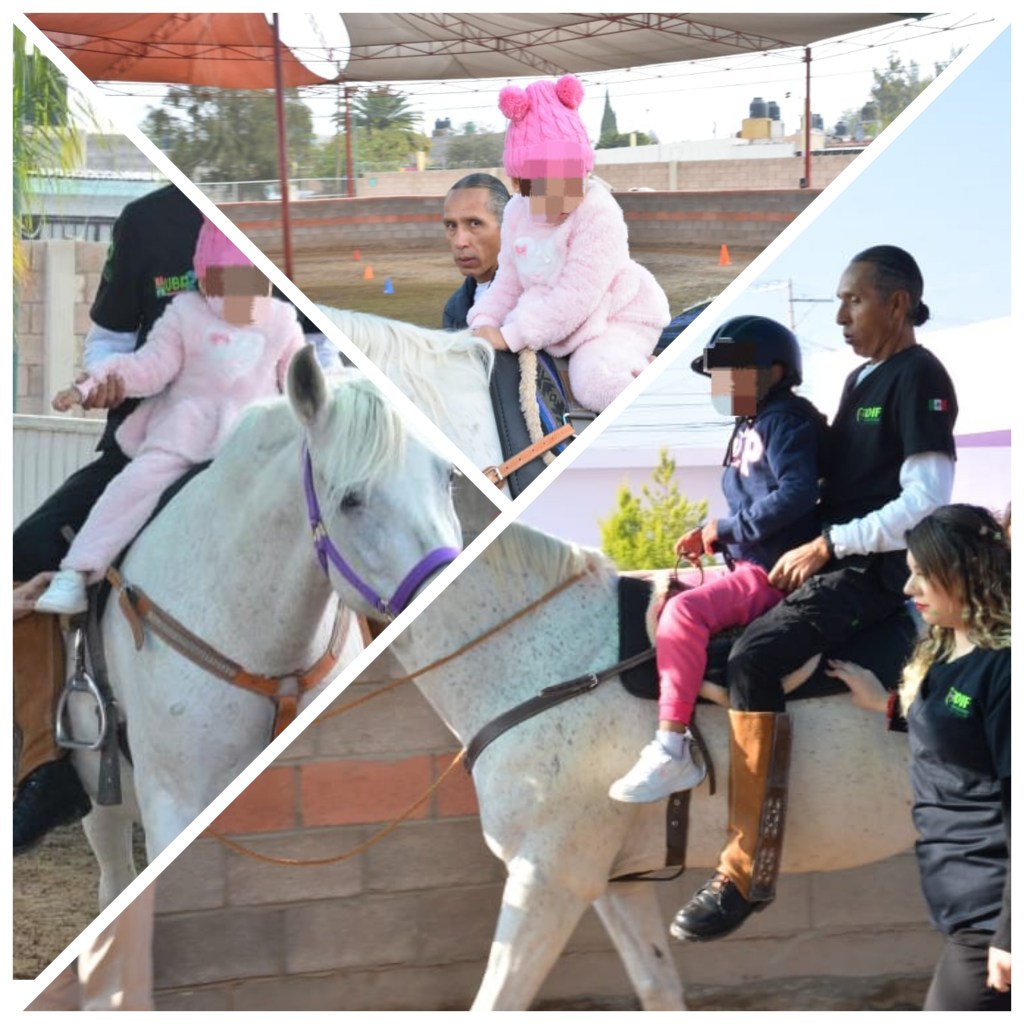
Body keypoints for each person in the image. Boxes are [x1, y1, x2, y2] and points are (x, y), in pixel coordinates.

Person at [671, 244, 959, 943]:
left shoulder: (919, 375)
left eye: (853, 300)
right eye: (838, 301)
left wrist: (830, 545)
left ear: (897, 303)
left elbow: (924, 500)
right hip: (831, 562)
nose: (840, 316)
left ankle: (745, 871)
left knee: (755, 659)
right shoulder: (862, 379)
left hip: (873, 571)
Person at [34, 216, 306, 614]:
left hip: (254, 440)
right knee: (130, 488)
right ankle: (75, 573)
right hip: (183, 431)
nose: (242, 294)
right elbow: (147, 366)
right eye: (228, 280)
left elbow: (303, 380)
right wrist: (89, 385)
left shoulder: (282, 322)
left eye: (252, 279)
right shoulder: (185, 314)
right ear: (207, 280)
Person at [609, 316, 828, 801]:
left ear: (772, 372)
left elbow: (796, 495)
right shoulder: (749, 425)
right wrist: (710, 538)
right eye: (716, 375)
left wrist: (723, 529)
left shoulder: (785, 422)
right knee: (665, 600)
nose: (719, 384)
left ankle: (671, 747)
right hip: (747, 562)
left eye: (731, 372)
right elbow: (754, 506)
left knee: (684, 612)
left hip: (776, 573)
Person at [827, 505, 1010, 1011]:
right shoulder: (949, 648)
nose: (909, 589)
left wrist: (1011, 934)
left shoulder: (1006, 671)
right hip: (965, 906)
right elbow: (957, 725)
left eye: (922, 575)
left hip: (992, 913)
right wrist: (886, 703)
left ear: (967, 573)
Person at [467, 74, 670, 413]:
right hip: (550, 318)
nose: (561, 192)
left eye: (571, 176)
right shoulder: (517, 212)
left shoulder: (598, 212)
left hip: (613, 316)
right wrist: (483, 322)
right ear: (518, 181)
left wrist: (511, 335)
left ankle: (651, 393)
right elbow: (508, 280)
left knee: (594, 382)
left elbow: (576, 297)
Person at [441, 173, 511, 330]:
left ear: (507, 225)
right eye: (451, 226)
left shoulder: (533, 301)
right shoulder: (454, 309)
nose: (460, 242)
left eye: (474, 223)